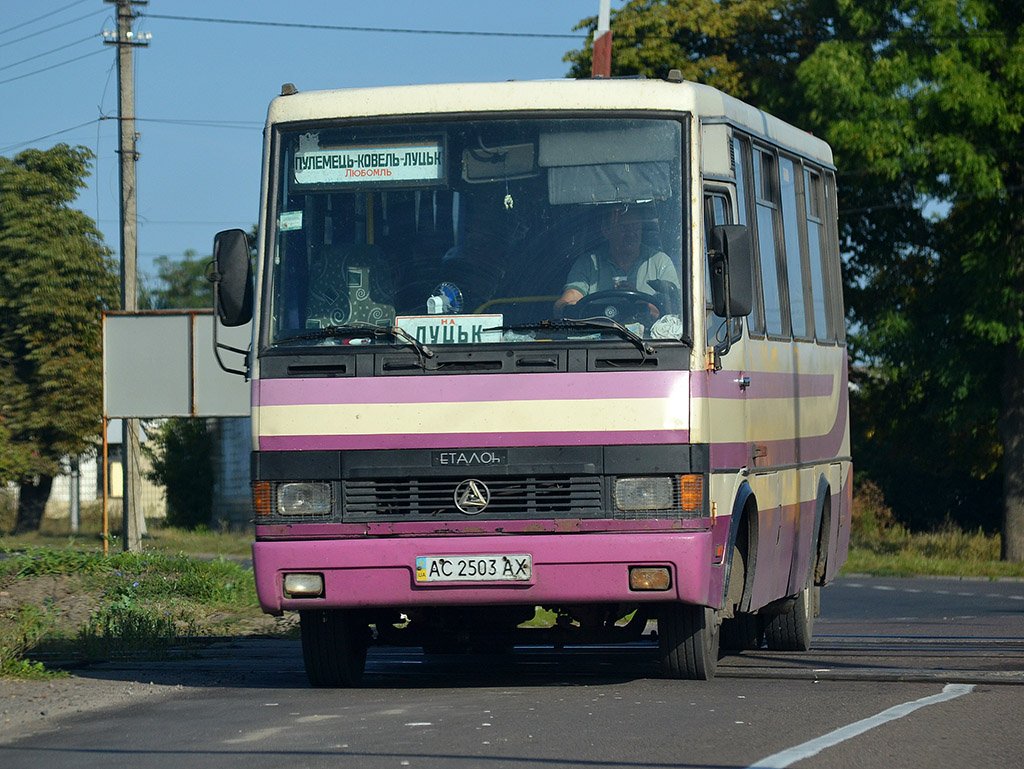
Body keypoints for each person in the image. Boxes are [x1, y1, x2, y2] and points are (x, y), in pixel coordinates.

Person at [555, 204, 679, 312]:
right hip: (598, 338)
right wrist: (566, 306)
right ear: (606, 230)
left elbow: (673, 311)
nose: (631, 234)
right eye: (624, 227)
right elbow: (567, 302)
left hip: (651, 339)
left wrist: (638, 300)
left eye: (635, 226)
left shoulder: (660, 262)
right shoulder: (589, 264)